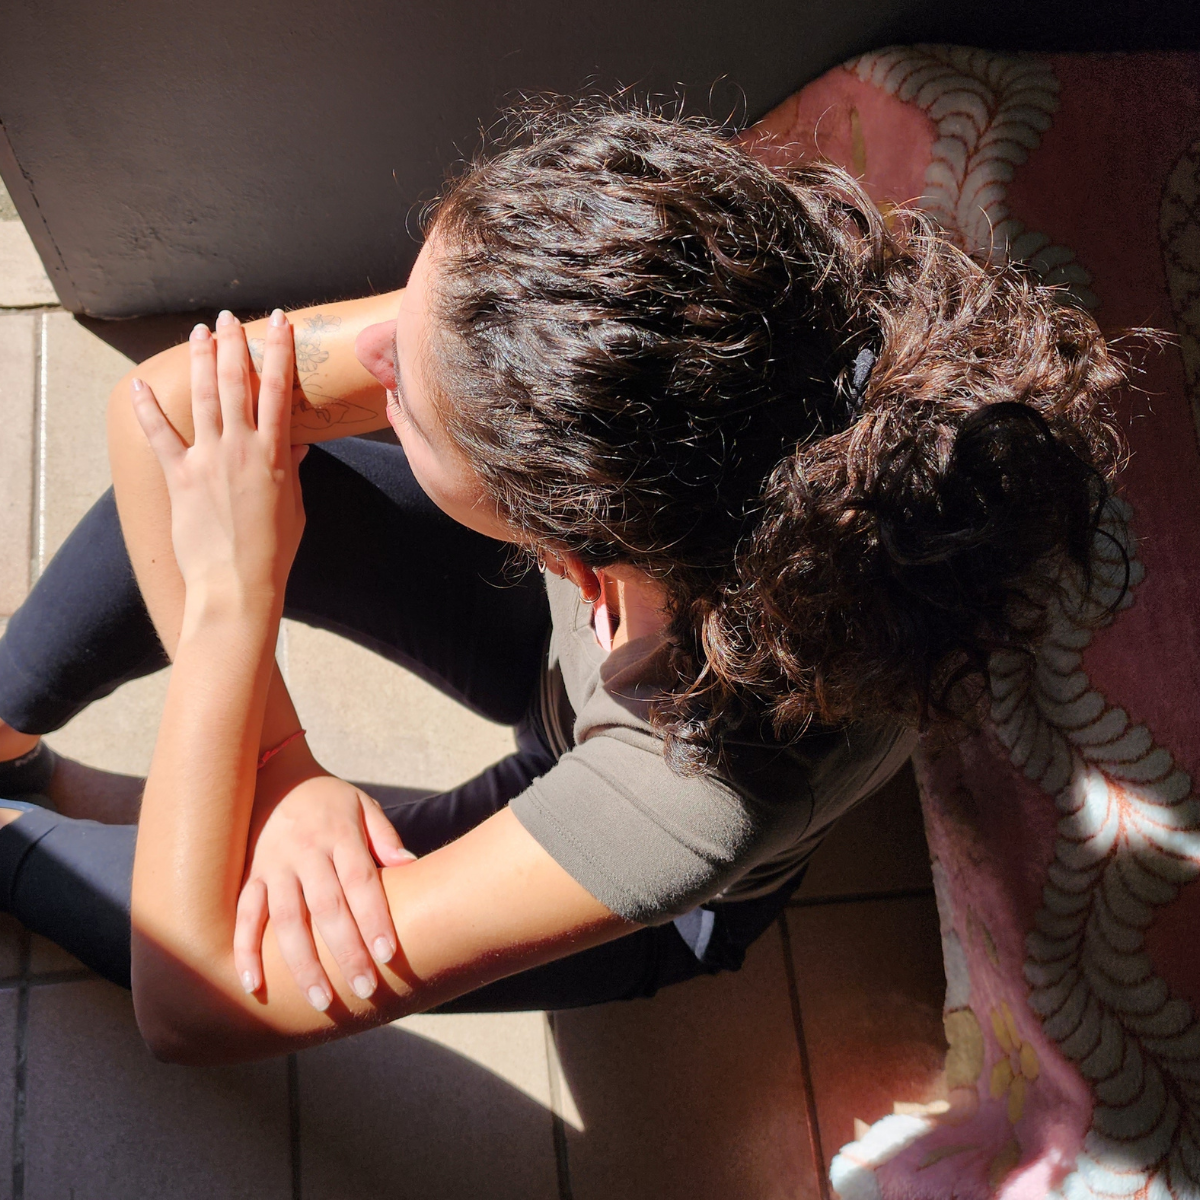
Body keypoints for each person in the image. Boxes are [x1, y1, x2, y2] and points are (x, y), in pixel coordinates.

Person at [0, 103, 1124, 1064]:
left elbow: (194, 1003)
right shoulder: (657, 299)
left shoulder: (716, 791)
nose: (371, 352)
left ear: (564, 550)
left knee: (258, 927)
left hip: (652, 812)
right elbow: (168, 414)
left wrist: (232, 612)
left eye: (411, 409)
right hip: (582, 641)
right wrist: (287, 773)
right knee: (222, 467)